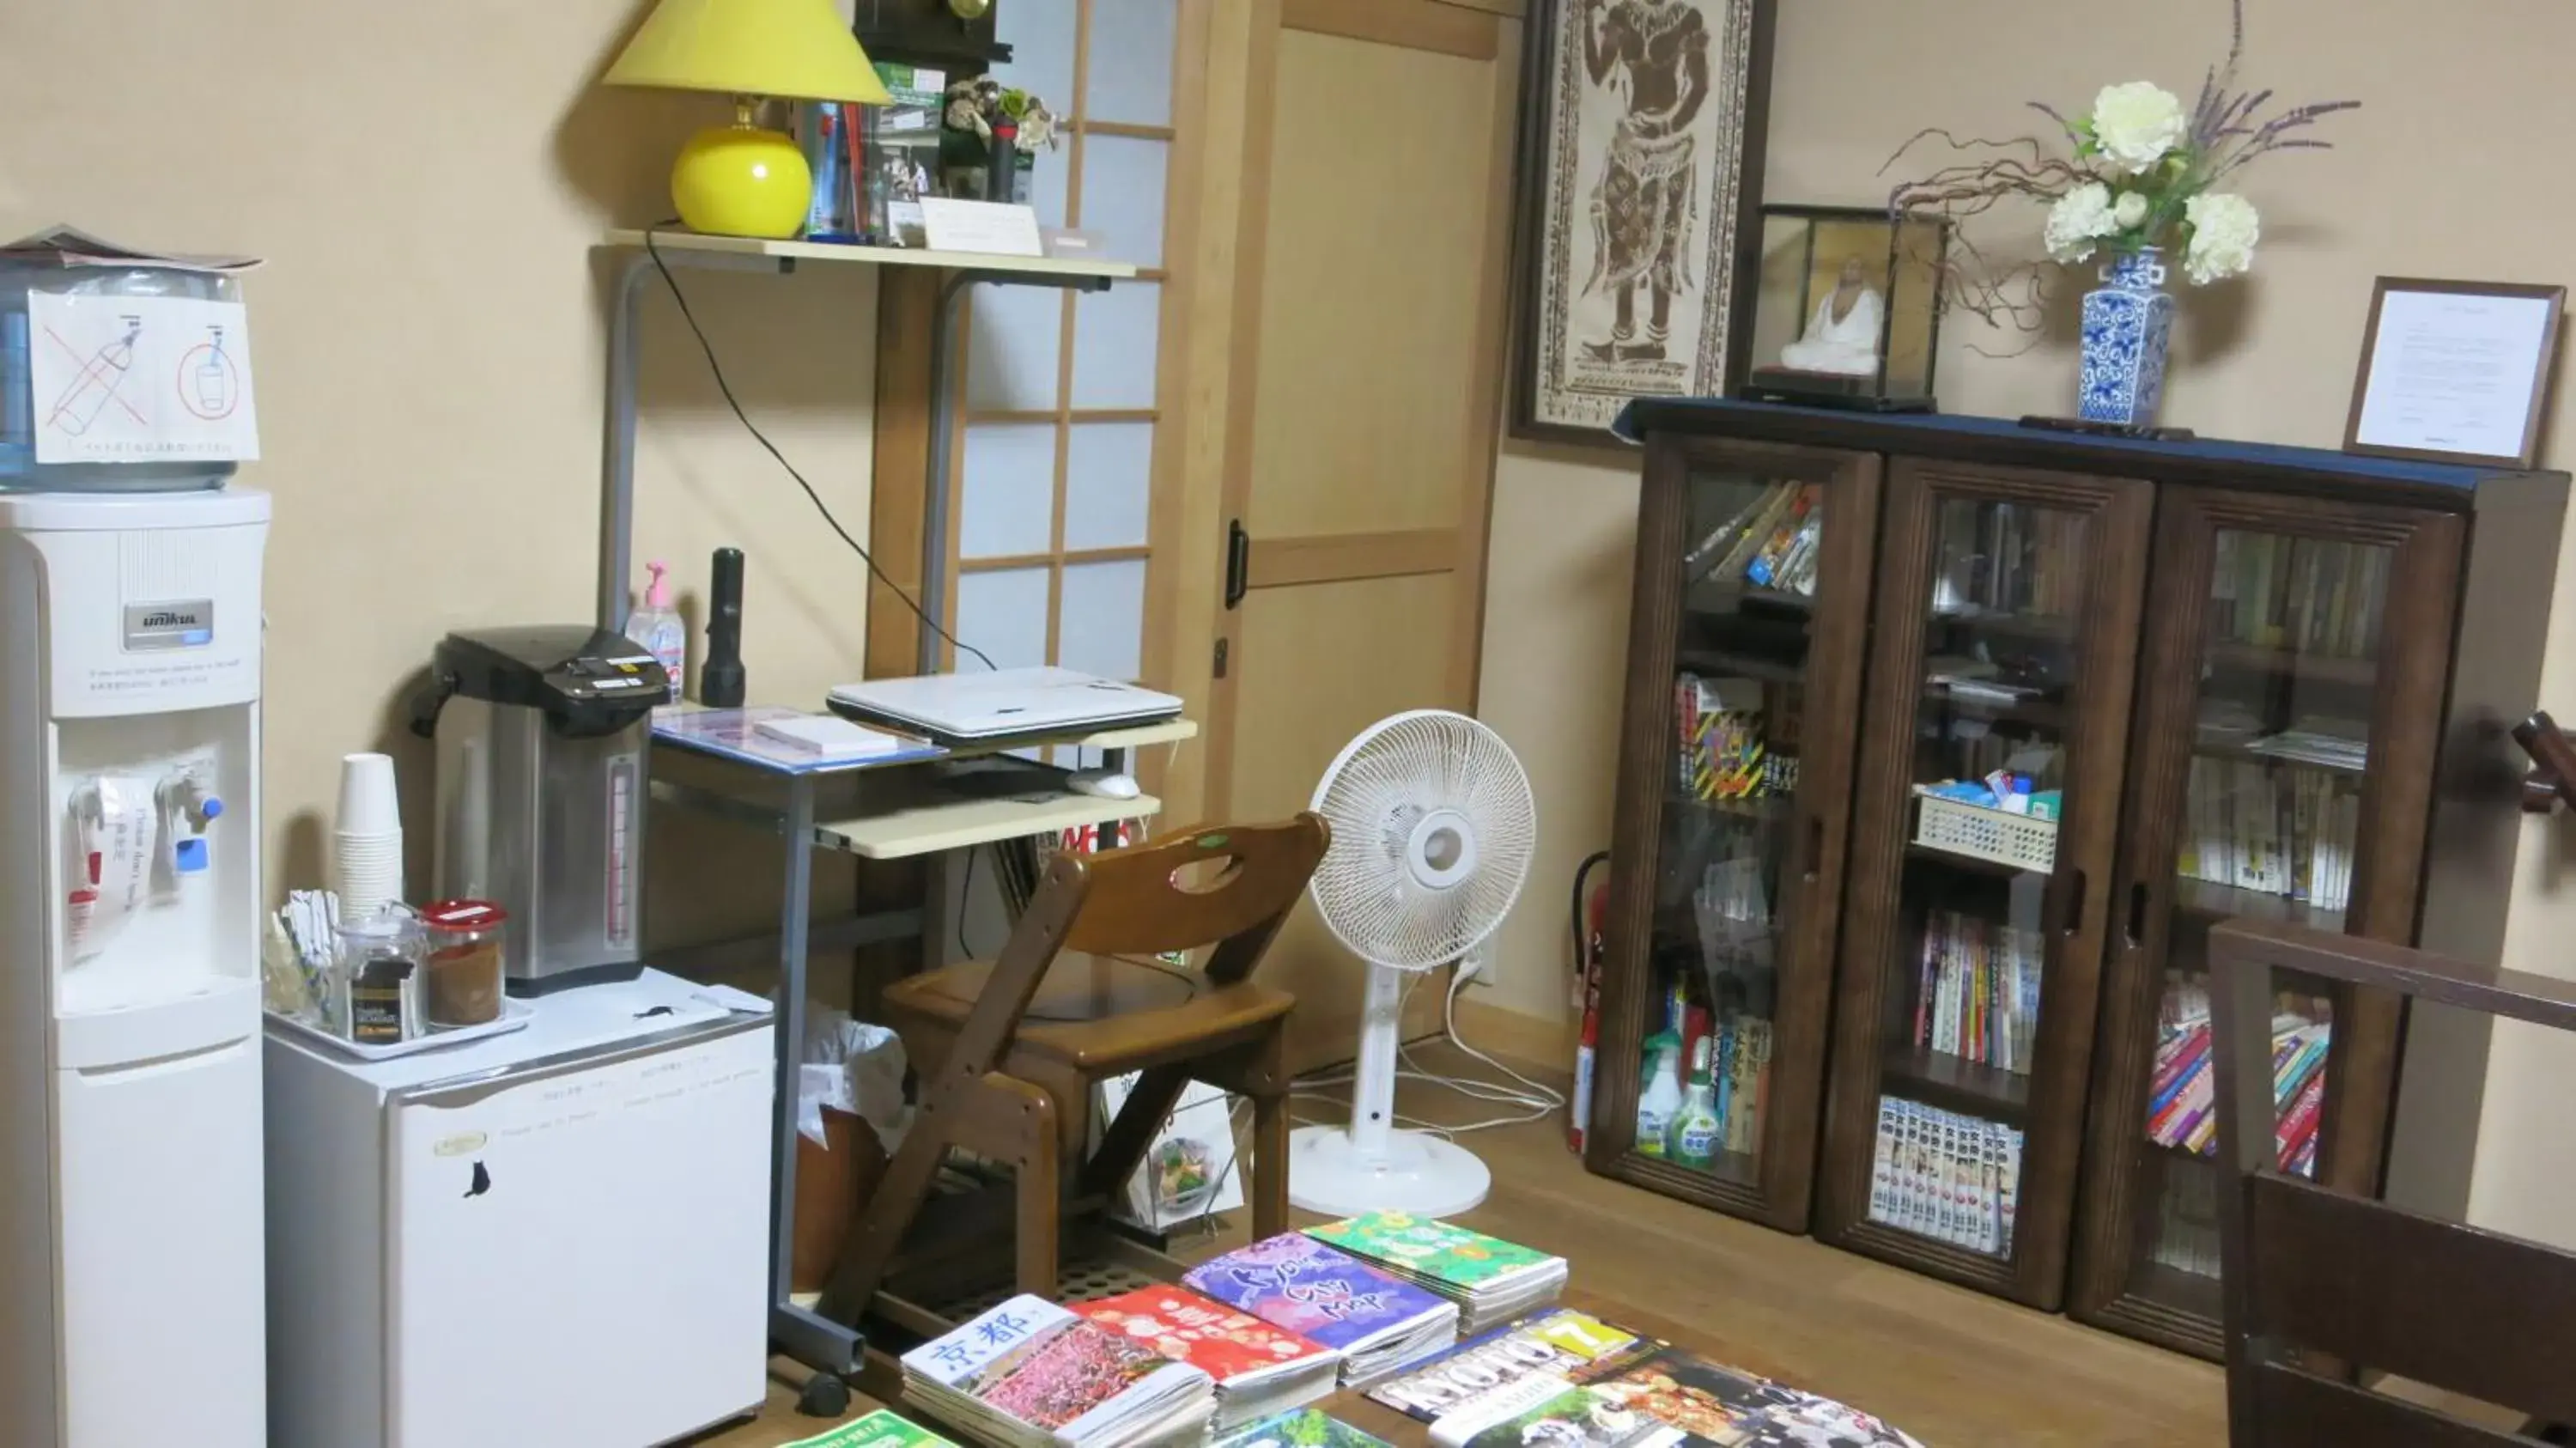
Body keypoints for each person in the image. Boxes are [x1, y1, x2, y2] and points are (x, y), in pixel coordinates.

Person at [1580, 0, 1712, 365]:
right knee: (1622, 235)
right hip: (1630, 143)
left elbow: (1699, 87)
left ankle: (1656, 338)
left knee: (1662, 241)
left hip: (1669, 147)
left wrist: (1667, 124)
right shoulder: (1622, 14)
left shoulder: (1688, 18)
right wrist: (1589, 18)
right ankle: (1621, 336)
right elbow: (1597, 72)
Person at [1778, 255, 1884, 377]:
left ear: (1863, 272)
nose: (1848, 270)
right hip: (1826, 349)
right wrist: (1806, 345)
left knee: (1869, 363)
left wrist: (1876, 348)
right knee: (1788, 353)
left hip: (1852, 351)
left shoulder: (1870, 299)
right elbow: (1814, 328)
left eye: (1854, 267)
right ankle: (1827, 367)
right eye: (1845, 266)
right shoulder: (1828, 298)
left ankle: (1821, 367)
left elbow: (1880, 329)